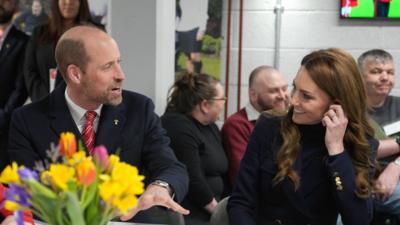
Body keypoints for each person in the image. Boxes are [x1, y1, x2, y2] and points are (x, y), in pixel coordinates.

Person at [8, 25, 189, 222]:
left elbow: (171, 166)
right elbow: (29, 193)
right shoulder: (27, 120)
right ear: (75, 74)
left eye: (119, 62)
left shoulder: (139, 109)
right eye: (107, 66)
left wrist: (161, 187)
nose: (121, 75)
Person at [228, 48, 379, 225]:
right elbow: (241, 202)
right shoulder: (270, 127)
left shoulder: (361, 143)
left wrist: (336, 150)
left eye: (306, 96)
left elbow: (358, 219)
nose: (293, 101)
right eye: (295, 88)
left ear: (337, 105)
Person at [161, 73, 229, 225]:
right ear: (205, 105)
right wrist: (221, 214)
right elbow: (193, 179)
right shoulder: (177, 126)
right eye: (222, 99)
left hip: (212, 211)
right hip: (191, 214)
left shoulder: (210, 126)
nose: (224, 103)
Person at [221, 65, 289, 185]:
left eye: (284, 88)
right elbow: (244, 175)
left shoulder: (289, 121)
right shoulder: (237, 125)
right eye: (273, 91)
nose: (282, 96)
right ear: (253, 95)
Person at [24, 0, 100, 102]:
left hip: (83, 105)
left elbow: (101, 70)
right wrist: (45, 100)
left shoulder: (96, 32)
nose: (68, 2)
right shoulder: (39, 32)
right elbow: (30, 70)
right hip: (46, 105)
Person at [358, 49, 400, 219]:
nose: (385, 77)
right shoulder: (350, 107)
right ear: (359, 76)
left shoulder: (398, 104)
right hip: (364, 183)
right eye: (376, 72)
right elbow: (362, 149)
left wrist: (396, 166)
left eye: (390, 72)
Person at [0, 0, 28, 171]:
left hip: (4, 128)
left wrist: (3, 116)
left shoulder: (24, 42)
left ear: (15, 5)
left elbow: (21, 87)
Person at [175, 0, 208, 73]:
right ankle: (191, 79)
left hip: (195, 28)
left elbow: (203, 12)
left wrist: (202, 29)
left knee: (195, 57)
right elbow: (179, 12)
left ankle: (200, 78)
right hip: (182, 29)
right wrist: (175, 26)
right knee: (189, 57)